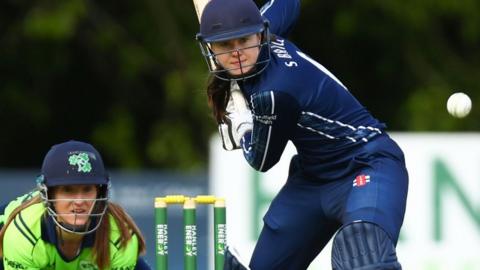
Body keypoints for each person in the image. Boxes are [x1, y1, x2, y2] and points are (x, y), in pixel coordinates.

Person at [196, 0, 408, 269]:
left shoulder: (276, 91)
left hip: (367, 163)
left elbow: (262, 160)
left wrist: (243, 127)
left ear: (260, 33)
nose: (237, 52)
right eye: (225, 44)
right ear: (210, 46)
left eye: (244, 40)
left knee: (363, 254)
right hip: (312, 180)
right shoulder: (264, 29)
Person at [0, 140, 151, 270]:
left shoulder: (120, 238)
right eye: (68, 190)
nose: (79, 201)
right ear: (48, 195)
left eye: (87, 189)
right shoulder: (23, 235)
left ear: (100, 193)